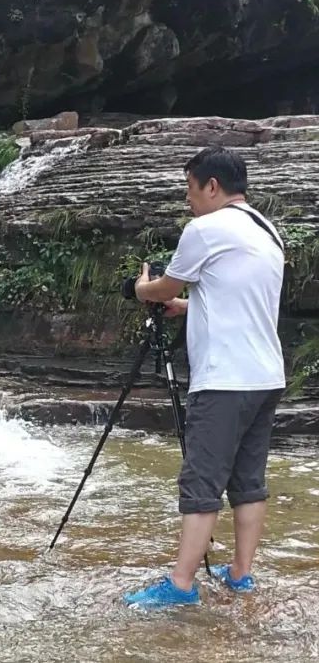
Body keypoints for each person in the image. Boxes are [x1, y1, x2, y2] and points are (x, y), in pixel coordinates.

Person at [124, 146, 285, 608]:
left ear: (212, 185)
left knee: (202, 481)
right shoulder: (266, 230)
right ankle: (240, 574)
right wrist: (189, 308)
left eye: (191, 189)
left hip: (223, 379)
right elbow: (241, 301)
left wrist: (143, 289)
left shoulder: (206, 229)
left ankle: (180, 585)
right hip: (265, 375)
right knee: (248, 481)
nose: (188, 200)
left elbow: (163, 286)